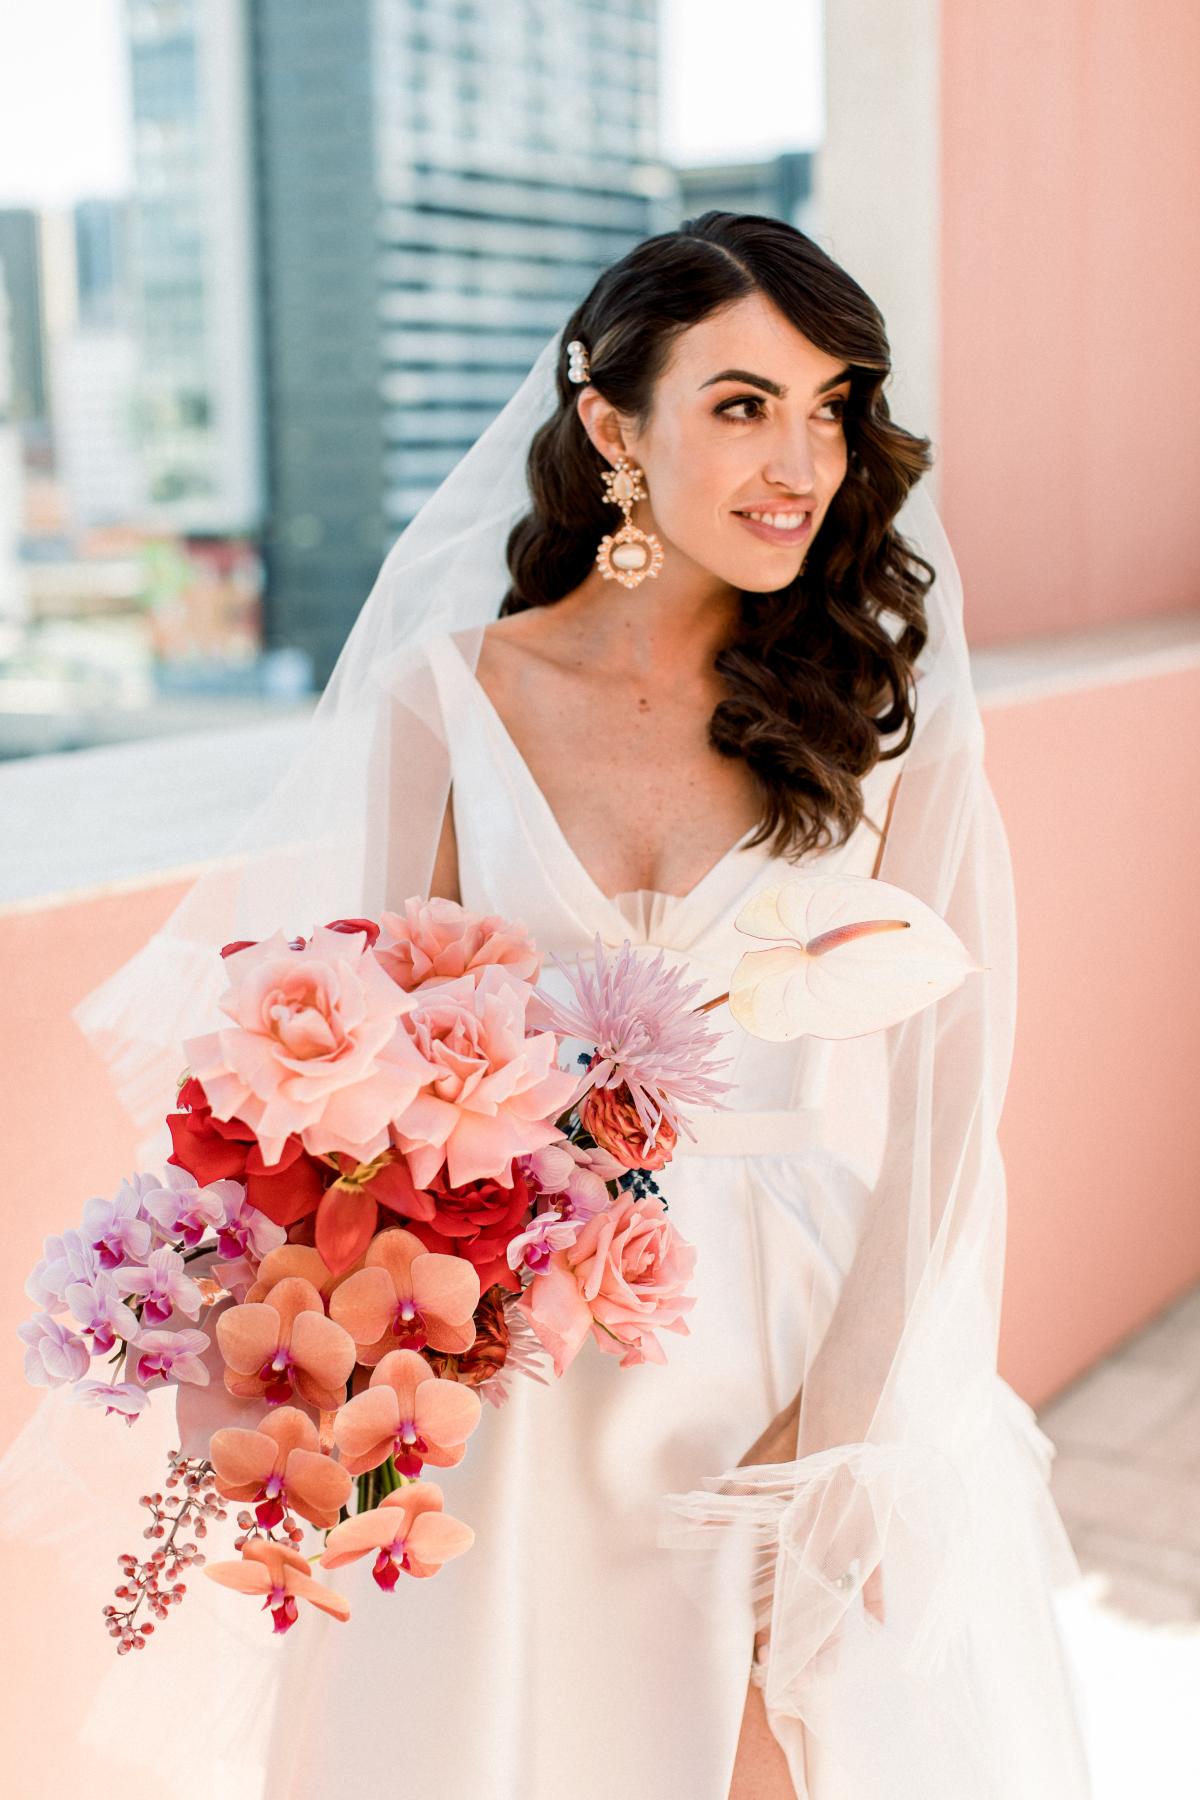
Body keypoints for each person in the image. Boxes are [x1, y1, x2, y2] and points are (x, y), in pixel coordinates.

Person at [3, 212, 1094, 1797]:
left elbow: (945, 1100)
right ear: (609, 427)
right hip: (506, 1362)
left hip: (793, 1360)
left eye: (834, 406)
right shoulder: (456, 694)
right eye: (741, 404)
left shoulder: (882, 706)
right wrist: (300, 1363)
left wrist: (841, 1448)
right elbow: (357, 1073)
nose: (802, 459)